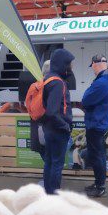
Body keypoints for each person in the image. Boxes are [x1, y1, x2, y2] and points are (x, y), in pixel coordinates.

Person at [81, 54, 108, 198]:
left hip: (96, 124)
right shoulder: (106, 80)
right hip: (99, 122)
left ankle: (100, 187)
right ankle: (98, 184)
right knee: (98, 155)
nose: (92, 70)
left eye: (92, 66)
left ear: (96, 64)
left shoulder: (102, 82)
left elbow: (85, 100)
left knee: (97, 156)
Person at [41, 49, 74, 194]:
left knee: (49, 162)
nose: (71, 68)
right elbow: (52, 111)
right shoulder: (58, 83)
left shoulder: (48, 79)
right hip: (57, 130)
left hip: (49, 129)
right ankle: (54, 196)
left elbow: (46, 106)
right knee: (57, 164)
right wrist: (65, 126)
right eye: (69, 64)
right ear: (62, 64)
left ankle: (48, 193)